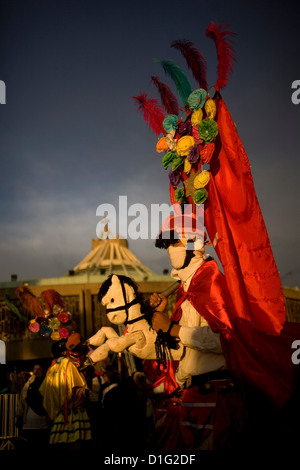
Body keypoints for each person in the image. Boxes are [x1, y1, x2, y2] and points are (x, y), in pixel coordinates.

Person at [149, 217, 247, 450]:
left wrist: (172, 328)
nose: (170, 251)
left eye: (175, 243)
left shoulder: (210, 281)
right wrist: (163, 321)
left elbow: (227, 340)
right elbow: (183, 348)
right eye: (168, 245)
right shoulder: (188, 291)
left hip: (213, 396)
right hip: (192, 396)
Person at [39, 336, 92, 451]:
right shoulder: (71, 364)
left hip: (60, 414)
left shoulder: (53, 368)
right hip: (76, 413)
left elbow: (45, 393)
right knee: (77, 445)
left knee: (61, 446)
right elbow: (80, 389)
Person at [16, 364, 50, 449]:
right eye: (35, 369)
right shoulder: (28, 384)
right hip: (29, 422)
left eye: (39, 369)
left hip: (43, 423)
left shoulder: (47, 382)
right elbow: (22, 401)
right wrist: (19, 416)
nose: (37, 371)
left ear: (43, 370)